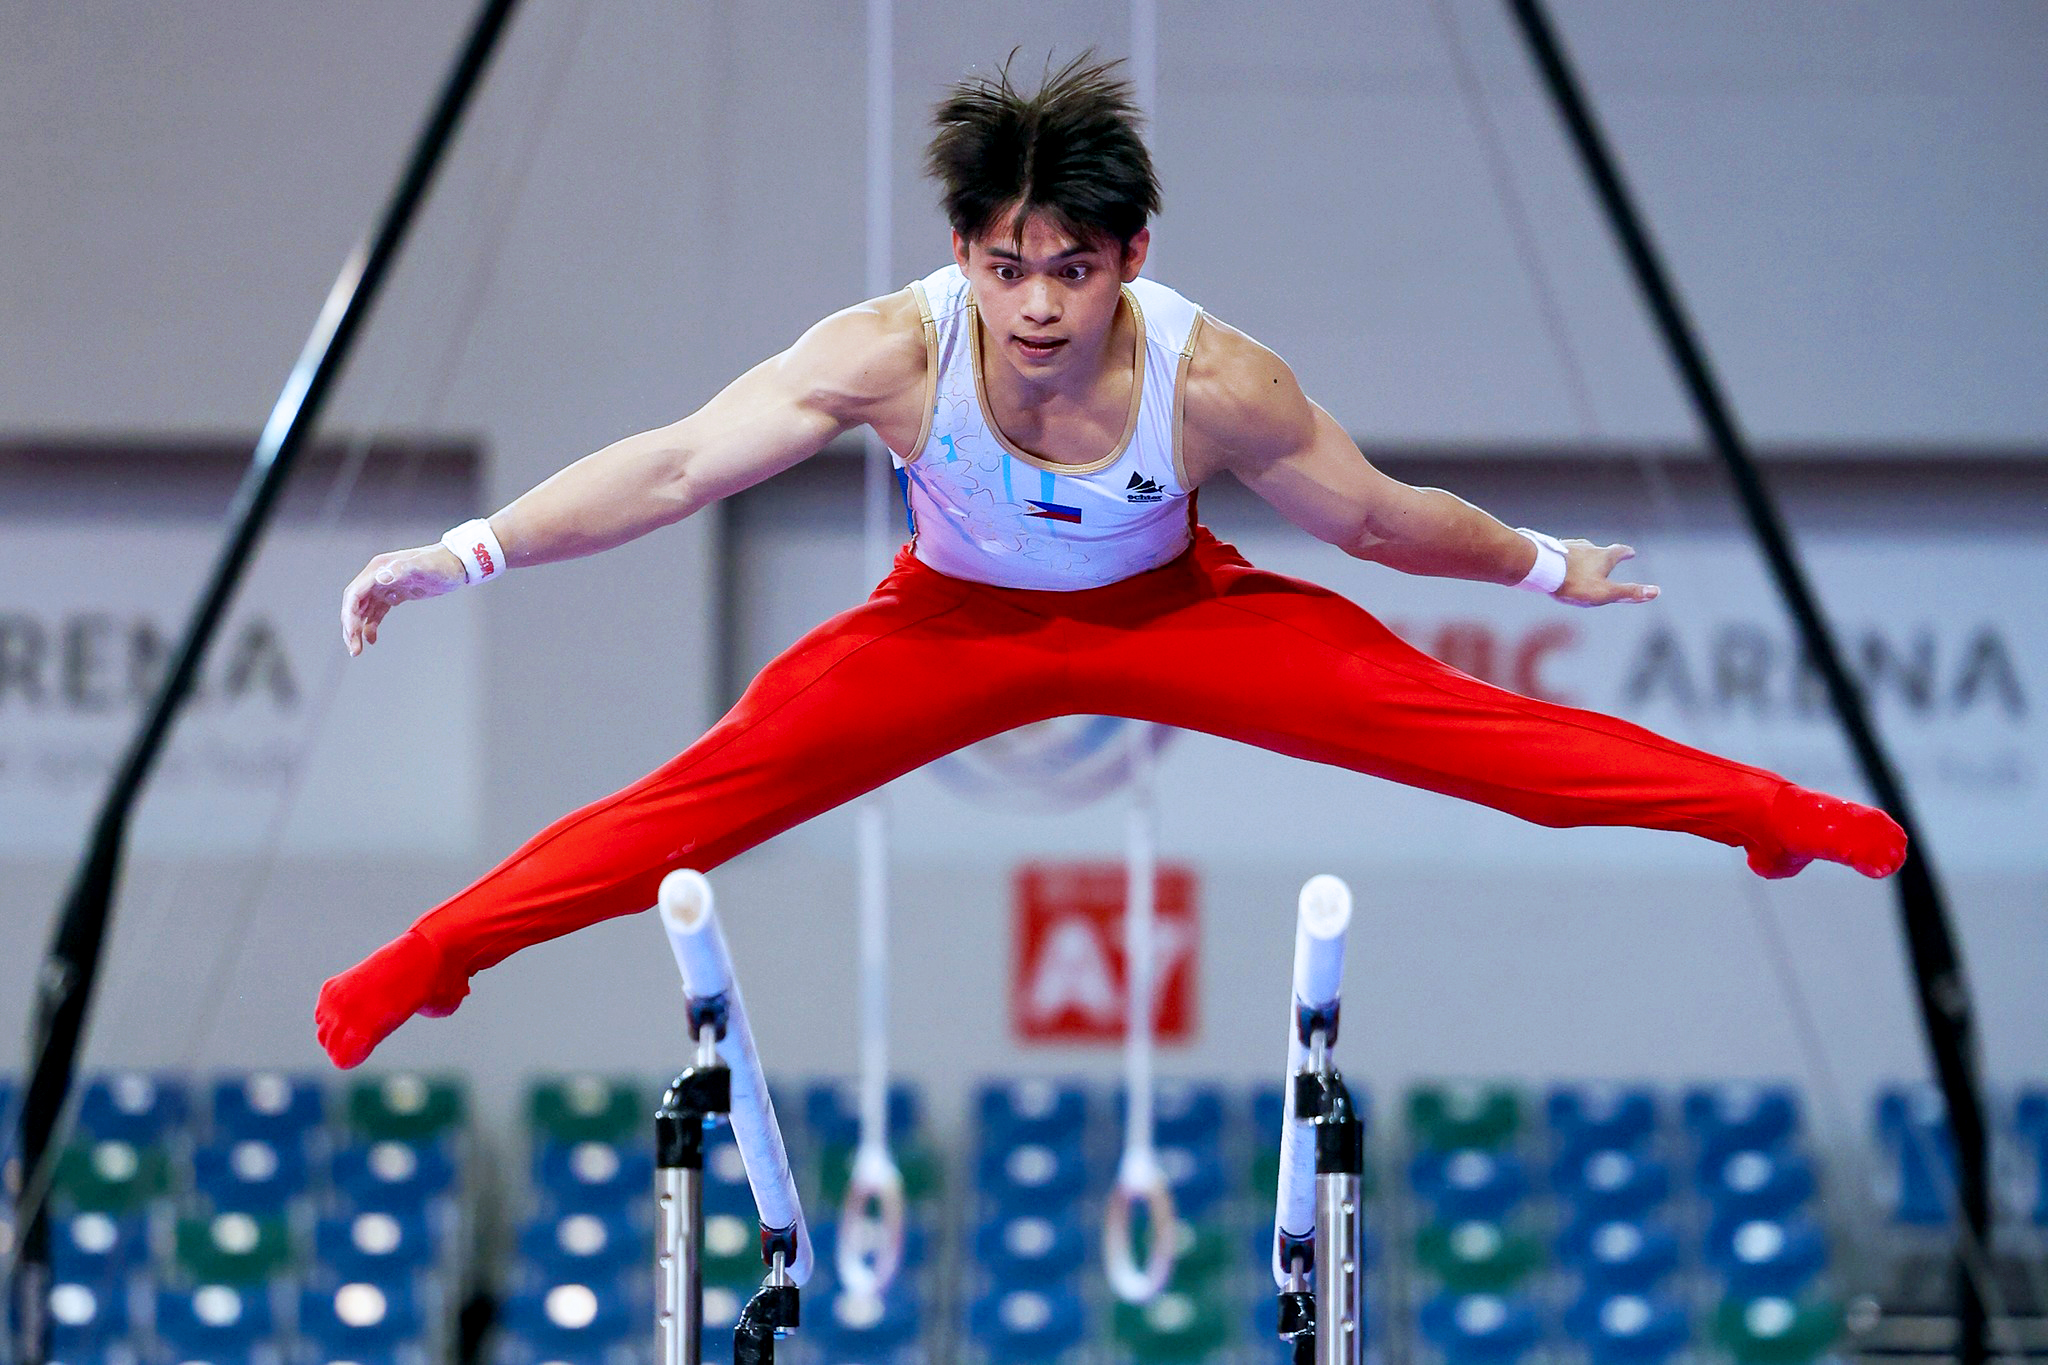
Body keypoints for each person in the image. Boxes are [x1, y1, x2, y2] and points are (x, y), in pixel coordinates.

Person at [317, 55, 1904, 1069]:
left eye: (1071, 272)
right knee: (696, 801)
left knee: (1480, 743)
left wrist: (1548, 570)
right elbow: (670, 466)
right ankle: (432, 958)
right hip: (942, 629)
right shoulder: (886, 354)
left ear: (1132, 257)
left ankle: (1771, 818)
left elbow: (1373, 518)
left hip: (1177, 614)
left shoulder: (1216, 382)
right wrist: (465, 552)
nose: (1035, 310)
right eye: (1004, 268)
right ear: (962, 254)